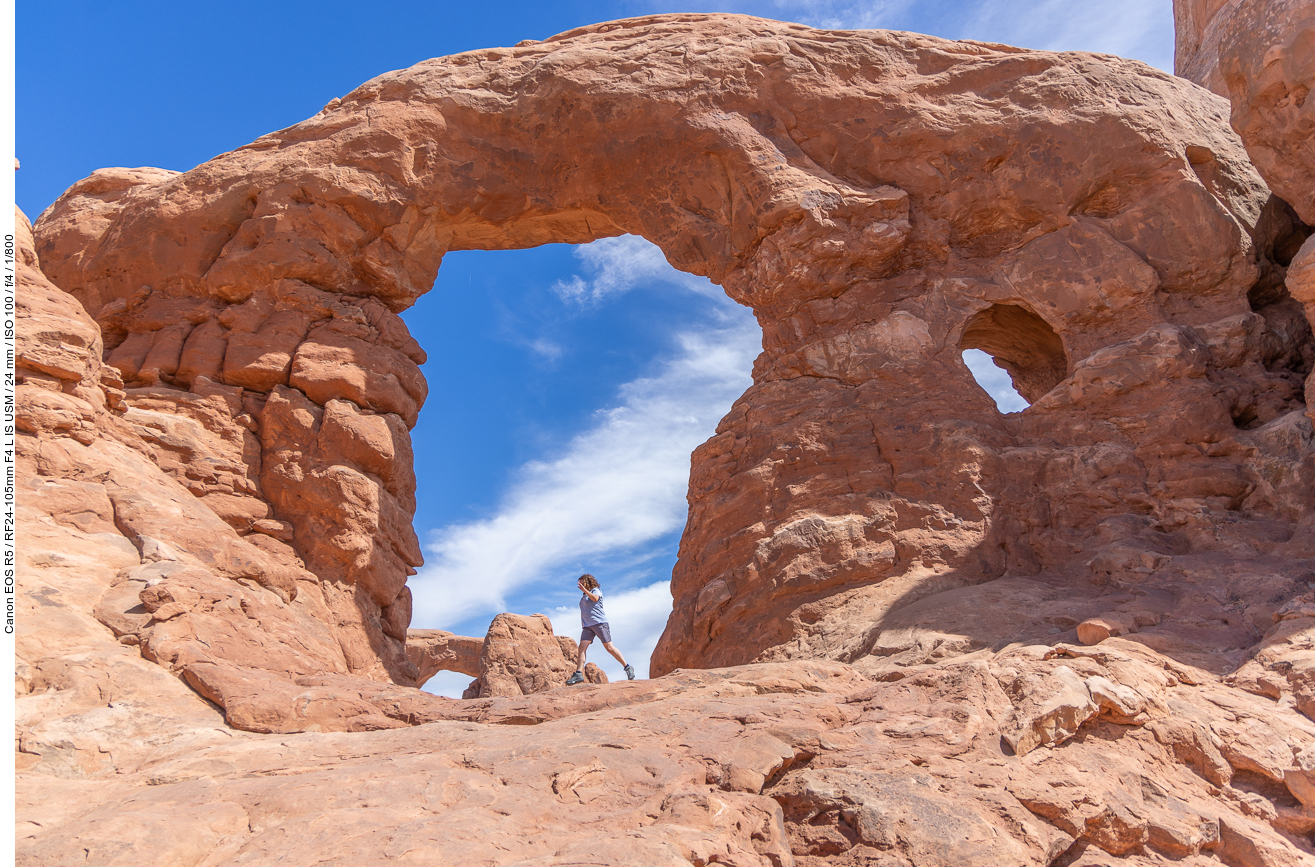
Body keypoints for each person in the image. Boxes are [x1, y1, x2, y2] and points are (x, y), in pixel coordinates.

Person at [566, 573, 635, 683]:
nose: (580, 585)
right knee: (582, 648)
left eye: (582, 583)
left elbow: (595, 599)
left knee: (609, 648)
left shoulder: (595, 590)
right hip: (587, 626)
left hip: (599, 623)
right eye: (580, 584)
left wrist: (586, 590)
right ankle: (578, 673)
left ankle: (627, 667)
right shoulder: (584, 596)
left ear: (588, 582)